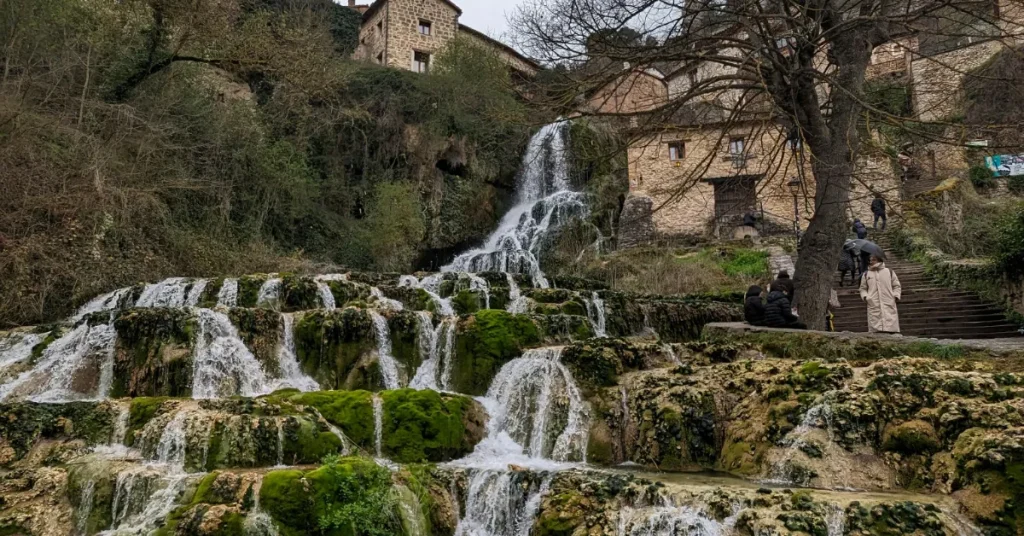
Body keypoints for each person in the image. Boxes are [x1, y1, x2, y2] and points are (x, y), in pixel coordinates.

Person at [859, 255, 902, 334]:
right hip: (873, 303)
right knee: (875, 330)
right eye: (870, 260)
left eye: (874, 260)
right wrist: (866, 297)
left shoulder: (889, 272)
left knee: (891, 327)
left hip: (888, 301)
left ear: (879, 260)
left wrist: (895, 296)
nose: (871, 262)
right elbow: (862, 288)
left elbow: (896, 286)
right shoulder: (866, 274)